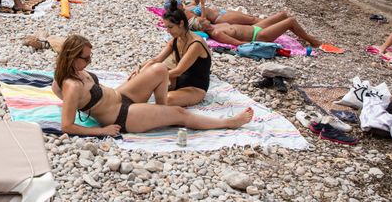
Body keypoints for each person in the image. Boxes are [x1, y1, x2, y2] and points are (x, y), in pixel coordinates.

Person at [51, 34, 253, 135]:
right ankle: (229, 123)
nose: (89, 63)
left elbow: (59, 88)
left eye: (90, 58)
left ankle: (160, 109)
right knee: (179, 114)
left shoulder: (70, 73)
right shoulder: (71, 85)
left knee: (159, 69)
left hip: (120, 96)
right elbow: (67, 125)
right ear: (72, 57)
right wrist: (102, 131)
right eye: (86, 59)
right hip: (121, 115)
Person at [139, 0, 211, 106]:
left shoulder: (196, 44)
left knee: (166, 100)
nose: (168, 31)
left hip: (194, 88)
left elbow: (178, 71)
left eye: (170, 27)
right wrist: (141, 69)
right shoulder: (176, 39)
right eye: (166, 27)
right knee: (143, 82)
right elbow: (156, 59)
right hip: (177, 82)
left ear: (181, 23)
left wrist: (149, 78)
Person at [199, 10, 322, 48]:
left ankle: (301, 34)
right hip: (259, 36)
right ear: (202, 27)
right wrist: (259, 45)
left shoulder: (214, 26)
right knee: (291, 21)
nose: (204, 18)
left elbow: (203, 12)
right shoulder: (217, 33)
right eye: (202, 20)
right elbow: (236, 43)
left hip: (255, 28)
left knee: (283, 15)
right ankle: (313, 41)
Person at [184, 0, 258, 25]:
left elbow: (195, 2)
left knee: (251, 18)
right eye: (178, 3)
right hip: (219, 18)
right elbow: (202, 21)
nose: (181, 3)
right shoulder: (186, 15)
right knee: (252, 20)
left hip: (221, 12)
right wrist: (203, 5)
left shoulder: (186, 8)